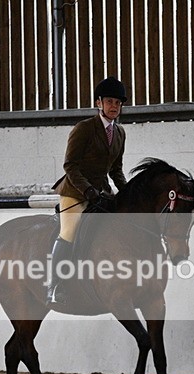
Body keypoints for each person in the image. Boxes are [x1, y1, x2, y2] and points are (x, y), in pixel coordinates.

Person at [47, 76, 128, 305]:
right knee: (69, 232)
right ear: (98, 103)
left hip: (101, 192)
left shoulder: (120, 133)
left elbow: (116, 170)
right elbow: (70, 165)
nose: (114, 106)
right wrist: (88, 190)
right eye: (109, 101)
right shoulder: (84, 128)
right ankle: (56, 285)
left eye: (118, 103)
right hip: (75, 191)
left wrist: (126, 191)